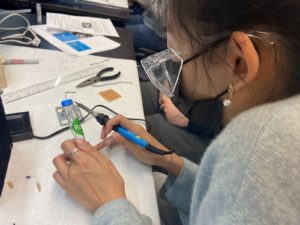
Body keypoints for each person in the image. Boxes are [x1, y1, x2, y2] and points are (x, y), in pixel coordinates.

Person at [53, 0, 300, 224]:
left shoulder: (258, 157)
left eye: (179, 58)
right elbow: (220, 203)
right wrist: (167, 160)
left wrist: (108, 205)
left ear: (239, 62)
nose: (171, 83)